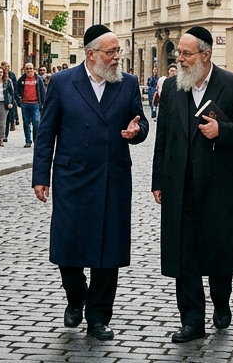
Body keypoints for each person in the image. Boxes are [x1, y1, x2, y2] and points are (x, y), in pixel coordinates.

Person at [33, 24, 148, 342]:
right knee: (68, 246)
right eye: (111, 52)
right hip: (72, 177)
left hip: (112, 178)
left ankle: (98, 317)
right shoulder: (62, 82)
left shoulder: (127, 84)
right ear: (91, 54)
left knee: (108, 251)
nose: (116, 58)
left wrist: (136, 132)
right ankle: (75, 296)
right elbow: (46, 133)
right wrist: (40, 176)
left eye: (118, 52)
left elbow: (141, 123)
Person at [151, 26, 233, 343]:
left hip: (219, 186)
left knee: (218, 250)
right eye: (179, 54)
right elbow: (164, 138)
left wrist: (221, 131)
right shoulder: (172, 87)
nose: (180, 59)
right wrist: (159, 180)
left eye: (186, 54)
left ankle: (221, 301)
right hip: (179, 184)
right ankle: (192, 321)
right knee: (184, 254)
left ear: (206, 55)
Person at [16, 62, 46, 148]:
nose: (29, 70)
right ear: (24, 69)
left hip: (35, 104)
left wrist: (43, 103)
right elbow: (17, 91)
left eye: (30, 68)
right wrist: (19, 101)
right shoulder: (21, 79)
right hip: (25, 104)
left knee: (36, 122)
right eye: (27, 69)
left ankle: (36, 140)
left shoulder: (38, 79)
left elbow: (42, 92)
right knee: (26, 123)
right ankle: (28, 141)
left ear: (34, 69)